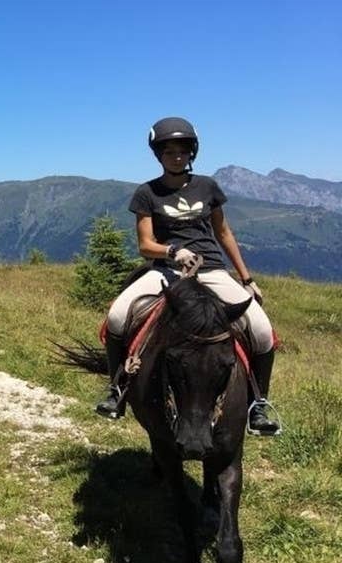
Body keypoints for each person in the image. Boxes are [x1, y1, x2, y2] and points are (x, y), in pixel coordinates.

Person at [96, 117, 280, 435]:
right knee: (117, 315)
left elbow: (223, 233)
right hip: (167, 272)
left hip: (211, 271)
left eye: (182, 150)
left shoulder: (207, 187)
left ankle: (258, 404)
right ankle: (117, 389)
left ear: (191, 152)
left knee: (262, 331)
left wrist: (246, 278)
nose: (176, 157)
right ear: (159, 155)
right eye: (168, 151)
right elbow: (145, 245)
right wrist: (172, 252)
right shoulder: (146, 193)